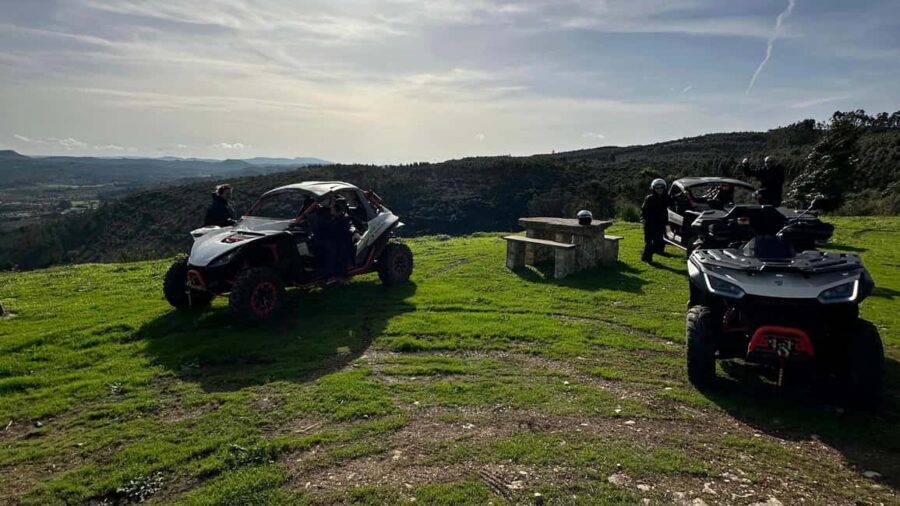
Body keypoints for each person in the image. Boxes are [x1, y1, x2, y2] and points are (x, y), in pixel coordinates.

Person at [641, 178, 669, 263]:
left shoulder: (666, 198)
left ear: (665, 188)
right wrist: (646, 221)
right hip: (650, 224)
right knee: (649, 242)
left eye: (661, 187)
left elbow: (673, 202)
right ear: (653, 188)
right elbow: (644, 211)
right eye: (657, 188)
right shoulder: (649, 199)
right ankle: (647, 259)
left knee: (658, 242)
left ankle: (646, 254)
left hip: (661, 224)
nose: (659, 189)